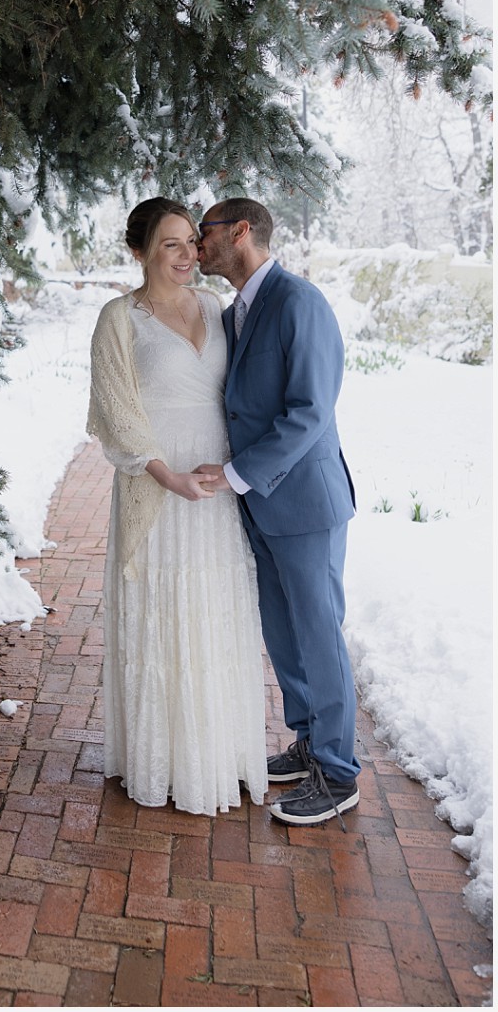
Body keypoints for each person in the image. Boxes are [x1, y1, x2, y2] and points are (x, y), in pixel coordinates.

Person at [87, 197, 268, 814]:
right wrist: (169, 477)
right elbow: (115, 414)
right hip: (158, 491)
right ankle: (162, 761)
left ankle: (220, 754)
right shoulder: (119, 318)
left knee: (215, 612)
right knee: (163, 614)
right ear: (140, 252)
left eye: (193, 241)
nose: (190, 254)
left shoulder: (218, 309)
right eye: (172, 244)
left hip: (215, 490)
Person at [195, 197, 360, 828]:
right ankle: (308, 741)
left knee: (320, 634)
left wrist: (239, 474)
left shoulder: (299, 302)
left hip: (306, 502)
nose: (198, 245)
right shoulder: (238, 311)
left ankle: (339, 772)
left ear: (240, 232)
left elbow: (310, 411)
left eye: (204, 232)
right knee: (284, 632)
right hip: (260, 506)